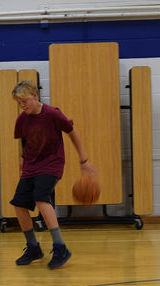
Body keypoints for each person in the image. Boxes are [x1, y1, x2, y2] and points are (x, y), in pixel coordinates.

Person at [10, 80, 96, 268]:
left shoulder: (52, 114)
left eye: (25, 101)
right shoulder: (21, 120)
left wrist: (83, 160)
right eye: (19, 103)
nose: (22, 106)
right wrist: (22, 158)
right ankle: (33, 247)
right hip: (31, 166)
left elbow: (73, 133)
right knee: (18, 205)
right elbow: (23, 140)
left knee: (41, 199)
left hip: (52, 164)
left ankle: (60, 247)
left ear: (35, 95)